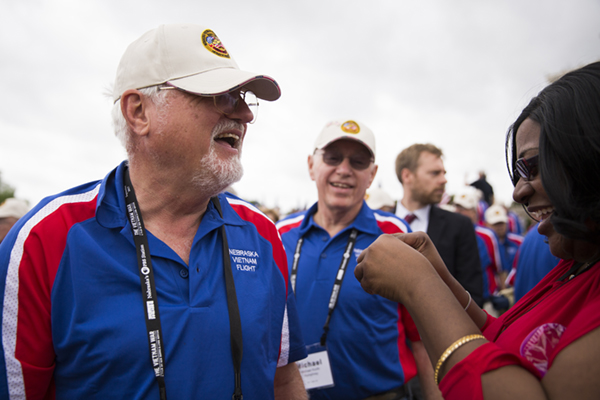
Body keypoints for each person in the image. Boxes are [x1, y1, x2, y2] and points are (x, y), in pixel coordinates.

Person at [0, 24, 307, 400]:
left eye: (242, 97)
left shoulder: (262, 235)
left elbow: (284, 381)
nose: (245, 114)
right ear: (139, 111)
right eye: (222, 96)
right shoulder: (44, 239)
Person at [354, 61, 600, 399]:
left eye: (534, 165)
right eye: (518, 172)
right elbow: (500, 336)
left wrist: (419, 284)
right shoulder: (575, 267)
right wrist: (442, 281)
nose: (518, 191)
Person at [277, 120, 440, 400]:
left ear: (372, 174)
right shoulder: (279, 234)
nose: (344, 169)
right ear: (311, 165)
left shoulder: (396, 234)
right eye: (333, 157)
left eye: (358, 161)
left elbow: (423, 337)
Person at [395, 144, 483, 306]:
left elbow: (472, 296)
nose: (444, 180)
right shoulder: (377, 223)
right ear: (407, 176)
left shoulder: (459, 226)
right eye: (435, 173)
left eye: (443, 173)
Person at [506, 223, 559, 302]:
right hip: (549, 304)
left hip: (526, 306)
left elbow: (512, 279)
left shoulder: (529, 235)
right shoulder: (560, 235)